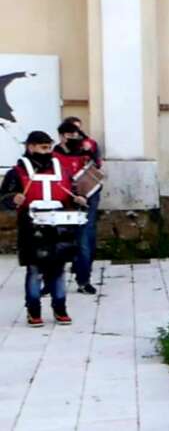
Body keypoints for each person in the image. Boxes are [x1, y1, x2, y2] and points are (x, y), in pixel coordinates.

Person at [1, 131, 87, 326]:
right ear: (31, 147)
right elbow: (3, 198)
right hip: (32, 225)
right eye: (43, 147)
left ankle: (60, 308)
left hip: (59, 226)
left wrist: (78, 199)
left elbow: (71, 192)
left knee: (58, 269)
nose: (47, 151)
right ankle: (33, 311)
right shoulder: (17, 172)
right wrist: (13, 199)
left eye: (49, 147)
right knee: (35, 270)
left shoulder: (62, 169)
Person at [52, 121, 102, 294]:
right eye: (70, 135)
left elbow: (95, 174)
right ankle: (50, 281)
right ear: (62, 136)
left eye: (76, 135)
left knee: (84, 241)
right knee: (55, 242)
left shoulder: (85, 153)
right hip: (60, 202)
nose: (74, 138)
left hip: (84, 200)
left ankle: (83, 280)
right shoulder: (53, 155)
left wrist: (86, 195)